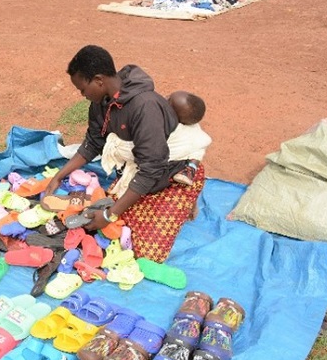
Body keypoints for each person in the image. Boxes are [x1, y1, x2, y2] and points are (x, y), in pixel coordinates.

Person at [44, 45, 206, 263]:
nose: (82, 95)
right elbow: (93, 143)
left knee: (145, 252)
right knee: (110, 230)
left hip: (170, 174)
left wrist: (110, 214)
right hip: (140, 173)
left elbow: (151, 169)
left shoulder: (144, 107)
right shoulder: (100, 104)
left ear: (99, 80)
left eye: (82, 89)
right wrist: (58, 177)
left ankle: (188, 195)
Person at [167, 90, 210, 186]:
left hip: (170, 162)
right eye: (169, 96)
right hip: (191, 148)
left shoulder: (172, 129)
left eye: (169, 101)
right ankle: (191, 169)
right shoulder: (190, 123)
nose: (165, 98)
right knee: (197, 151)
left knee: (197, 151)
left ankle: (190, 169)